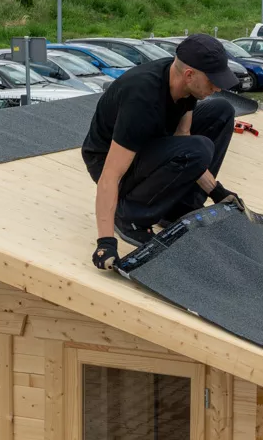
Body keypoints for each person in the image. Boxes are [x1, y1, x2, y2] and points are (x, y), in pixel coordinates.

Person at [84, 34, 242, 270]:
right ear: (190, 74)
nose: (217, 87)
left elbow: (183, 138)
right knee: (199, 148)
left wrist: (216, 192)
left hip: (152, 144)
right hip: (111, 161)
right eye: (212, 82)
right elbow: (110, 174)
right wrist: (105, 241)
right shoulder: (142, 98)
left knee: (221, 110)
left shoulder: (185, 88)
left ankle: (179, 209)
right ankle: (131, 215)